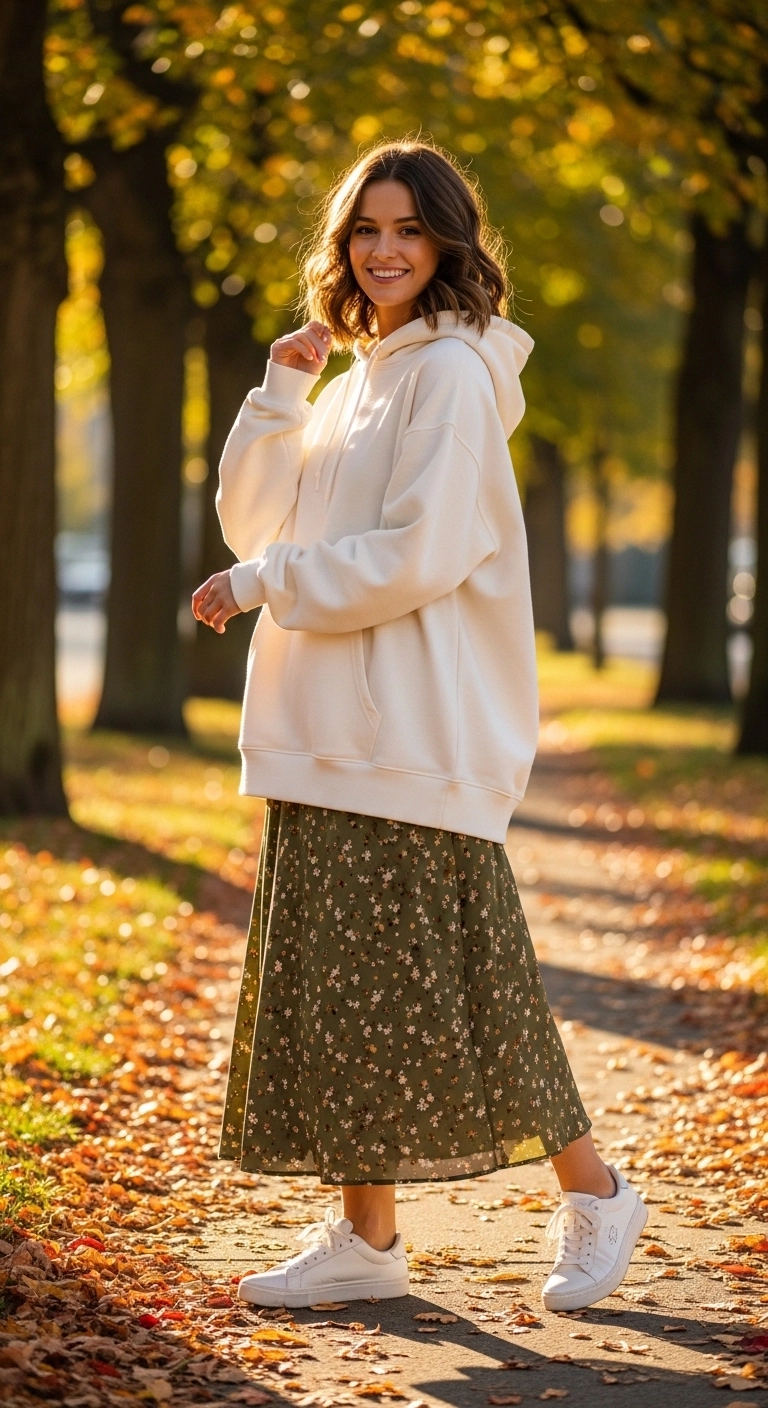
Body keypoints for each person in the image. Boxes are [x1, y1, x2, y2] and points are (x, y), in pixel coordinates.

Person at [192, 139, 647, 1313]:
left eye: (406, 230)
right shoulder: (357, 379)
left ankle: (597, 1192)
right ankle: (367, 1238)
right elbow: (256, 521)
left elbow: (419, 555)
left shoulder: (449, 375)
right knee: (340, 991)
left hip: (414, 739)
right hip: (323, 730)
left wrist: (260, 585)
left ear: (448, 241)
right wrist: (281, 389)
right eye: (364, 231)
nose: (383, 251)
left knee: (473, 984)